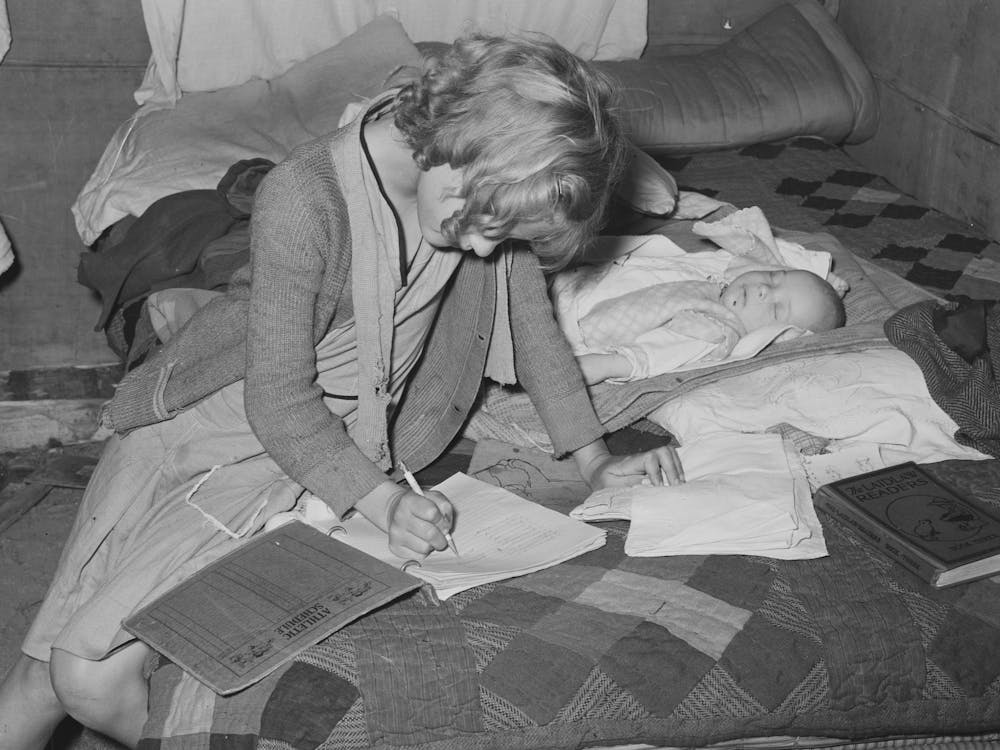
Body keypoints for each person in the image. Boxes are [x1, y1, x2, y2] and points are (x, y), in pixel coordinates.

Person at [0, 34, 685, 749]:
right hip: (224, 427)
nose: (487, 252)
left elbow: (533, 331)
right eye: (485, 227)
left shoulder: (479, 178)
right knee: (49, 675)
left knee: (76, 677)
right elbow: (278, 401)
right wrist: (382, 498)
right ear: (455, 146)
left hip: (313, 453)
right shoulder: (305, 196)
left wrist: (594, 460)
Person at [551, 205, 847, 384]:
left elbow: (663, 350)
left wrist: (605, 366)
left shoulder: (716, 328)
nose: (763, 290)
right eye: (773, 278)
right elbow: (766, 251)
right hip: (573, 274)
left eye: (775, 308)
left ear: (777, 333)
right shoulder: (718, 277)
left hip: (566, 318)